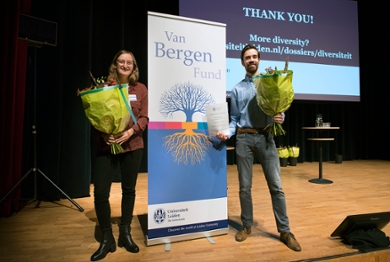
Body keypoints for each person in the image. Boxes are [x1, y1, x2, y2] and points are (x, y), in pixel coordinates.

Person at [216, 44, 301, 252]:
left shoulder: (269, 83)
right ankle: (246, 226)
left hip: (266, 138)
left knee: (276, 187)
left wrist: (281, 116)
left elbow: (279, 110)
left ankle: (285, 231)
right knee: (245, 187)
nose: (251, 60)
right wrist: (227, 132)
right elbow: (235, 119)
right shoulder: (237, 89)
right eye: (247, 57)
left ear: (259, 60)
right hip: (244, 139)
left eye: (254, 57)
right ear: (242, 62)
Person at [90, 50, 149, 261]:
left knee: (129, 190)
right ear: (115, 64)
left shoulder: (140, 89)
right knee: (100, 193)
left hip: (133, 145)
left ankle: (125, 233)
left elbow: (144, 117)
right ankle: (107, 237)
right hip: (107, 147)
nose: (125, 65)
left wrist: (130, 132)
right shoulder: (103, 88)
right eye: (121, 61)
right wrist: (104, 134)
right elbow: (96, 118)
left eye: (129, 62)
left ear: (134, 67)